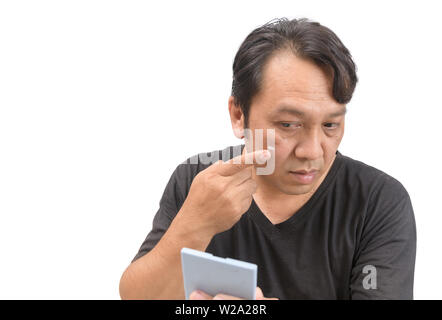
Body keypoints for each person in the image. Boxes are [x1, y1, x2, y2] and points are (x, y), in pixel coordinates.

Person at [119, 17, 416, 300]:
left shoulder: (377, 200)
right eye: (288, 125)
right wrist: (195, 223)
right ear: (239, 115)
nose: (312, 151)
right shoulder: (199, 178)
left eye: (330, 125)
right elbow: (136, 294)